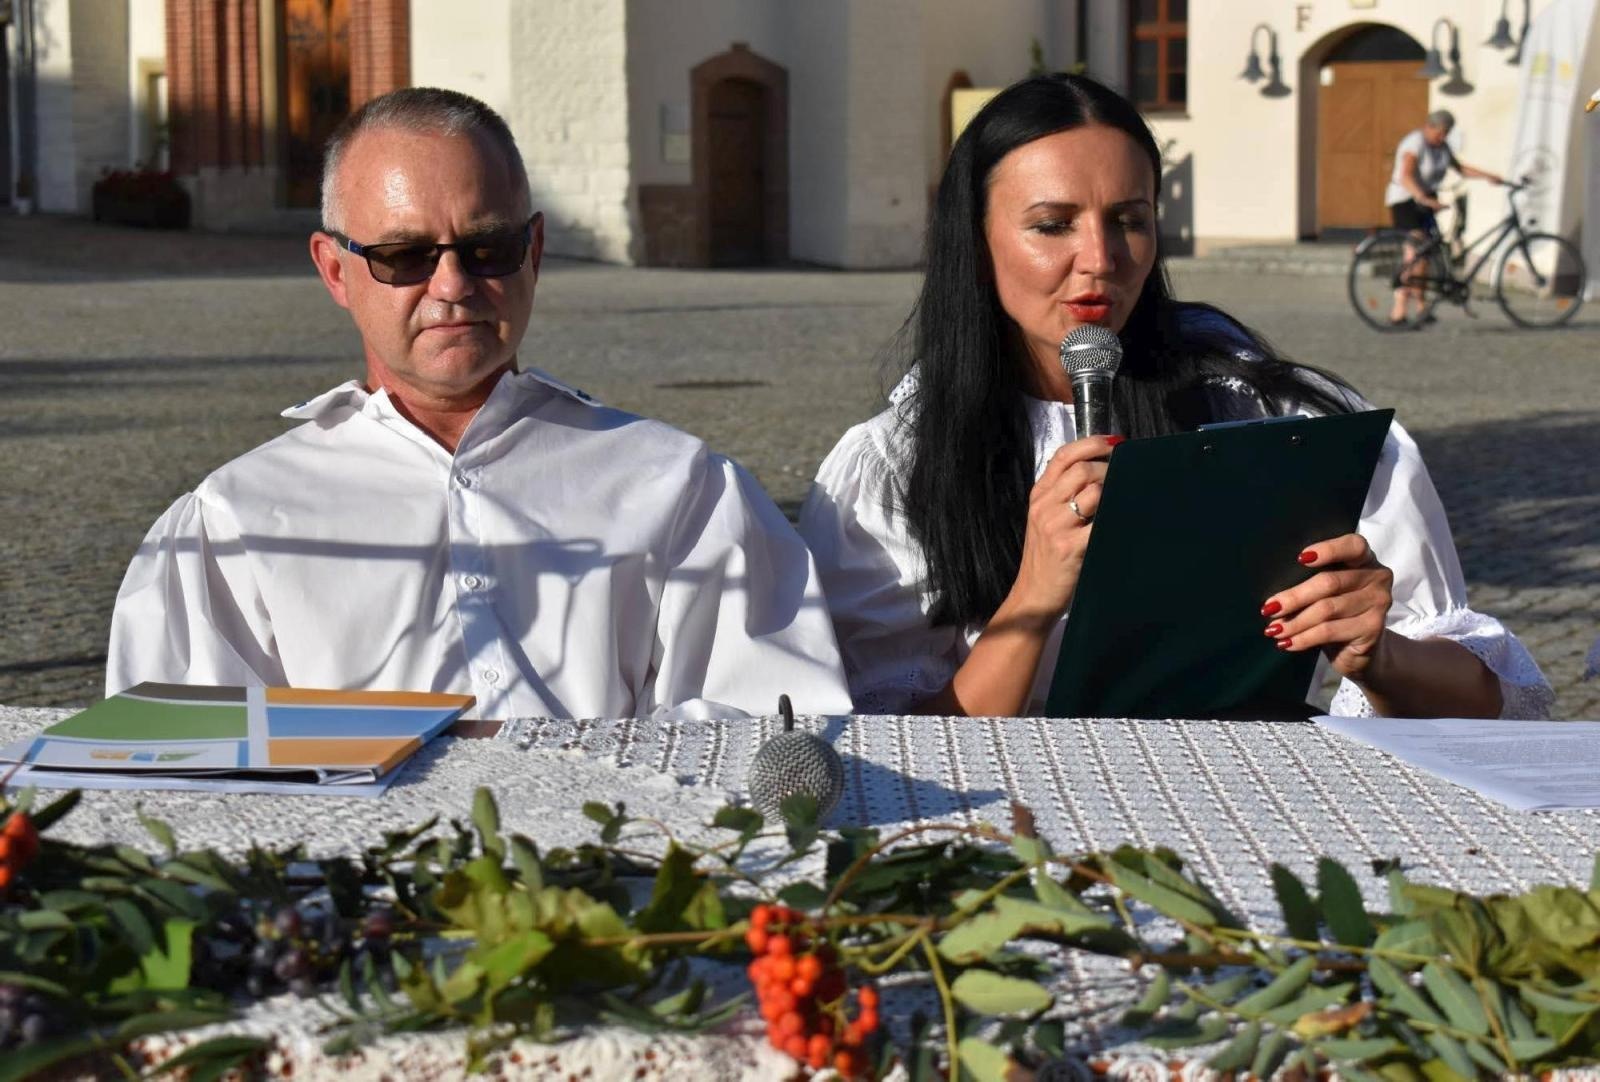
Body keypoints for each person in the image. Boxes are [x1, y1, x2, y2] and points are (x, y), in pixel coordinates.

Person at [798, 74, 1552, 720]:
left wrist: (1376, 653)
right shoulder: (898, 466)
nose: (1099, 261)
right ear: (976, 238)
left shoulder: (1268, 420)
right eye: (1051, 225)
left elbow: (1491, 704)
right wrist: (1032, 597)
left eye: (1129, 220)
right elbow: (887, 751)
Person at [107, 88, 852, 721]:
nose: (453, 285)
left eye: (486, 248)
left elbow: (772, 729)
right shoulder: (235, 521)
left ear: (533, 251)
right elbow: (183, 775)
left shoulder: (680, 489)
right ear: (335, 270)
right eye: (404, 256)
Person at [1384, 110, 1503, 325]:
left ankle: (1420, 305)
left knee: (1427, 254)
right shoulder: (1415, 143)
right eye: (1440, 132)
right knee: (1414, 253)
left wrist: (1488, 176)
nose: (1443, 137)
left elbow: (1460, 168)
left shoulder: (1442, 146)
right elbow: (1406, 176)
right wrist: (1423, 197)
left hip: (1427, 199)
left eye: (1446, 133)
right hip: (1406, 200)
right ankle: (1399, 308)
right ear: (1429, 127)